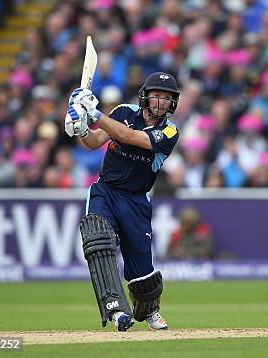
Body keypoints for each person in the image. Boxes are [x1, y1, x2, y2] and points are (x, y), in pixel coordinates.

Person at [64, 72, 180, 331]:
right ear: (146, 96)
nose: (161, 101)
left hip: (136, 200)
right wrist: (82, 128)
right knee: (98, 240)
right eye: (157, 95)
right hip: (106, 191)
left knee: (142, 275)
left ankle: (150, 312)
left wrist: (94, 114)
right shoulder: (123, 111)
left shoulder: (169, 132)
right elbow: (94, 142)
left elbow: (129, 137)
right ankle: (115, 310)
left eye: (167, 97)